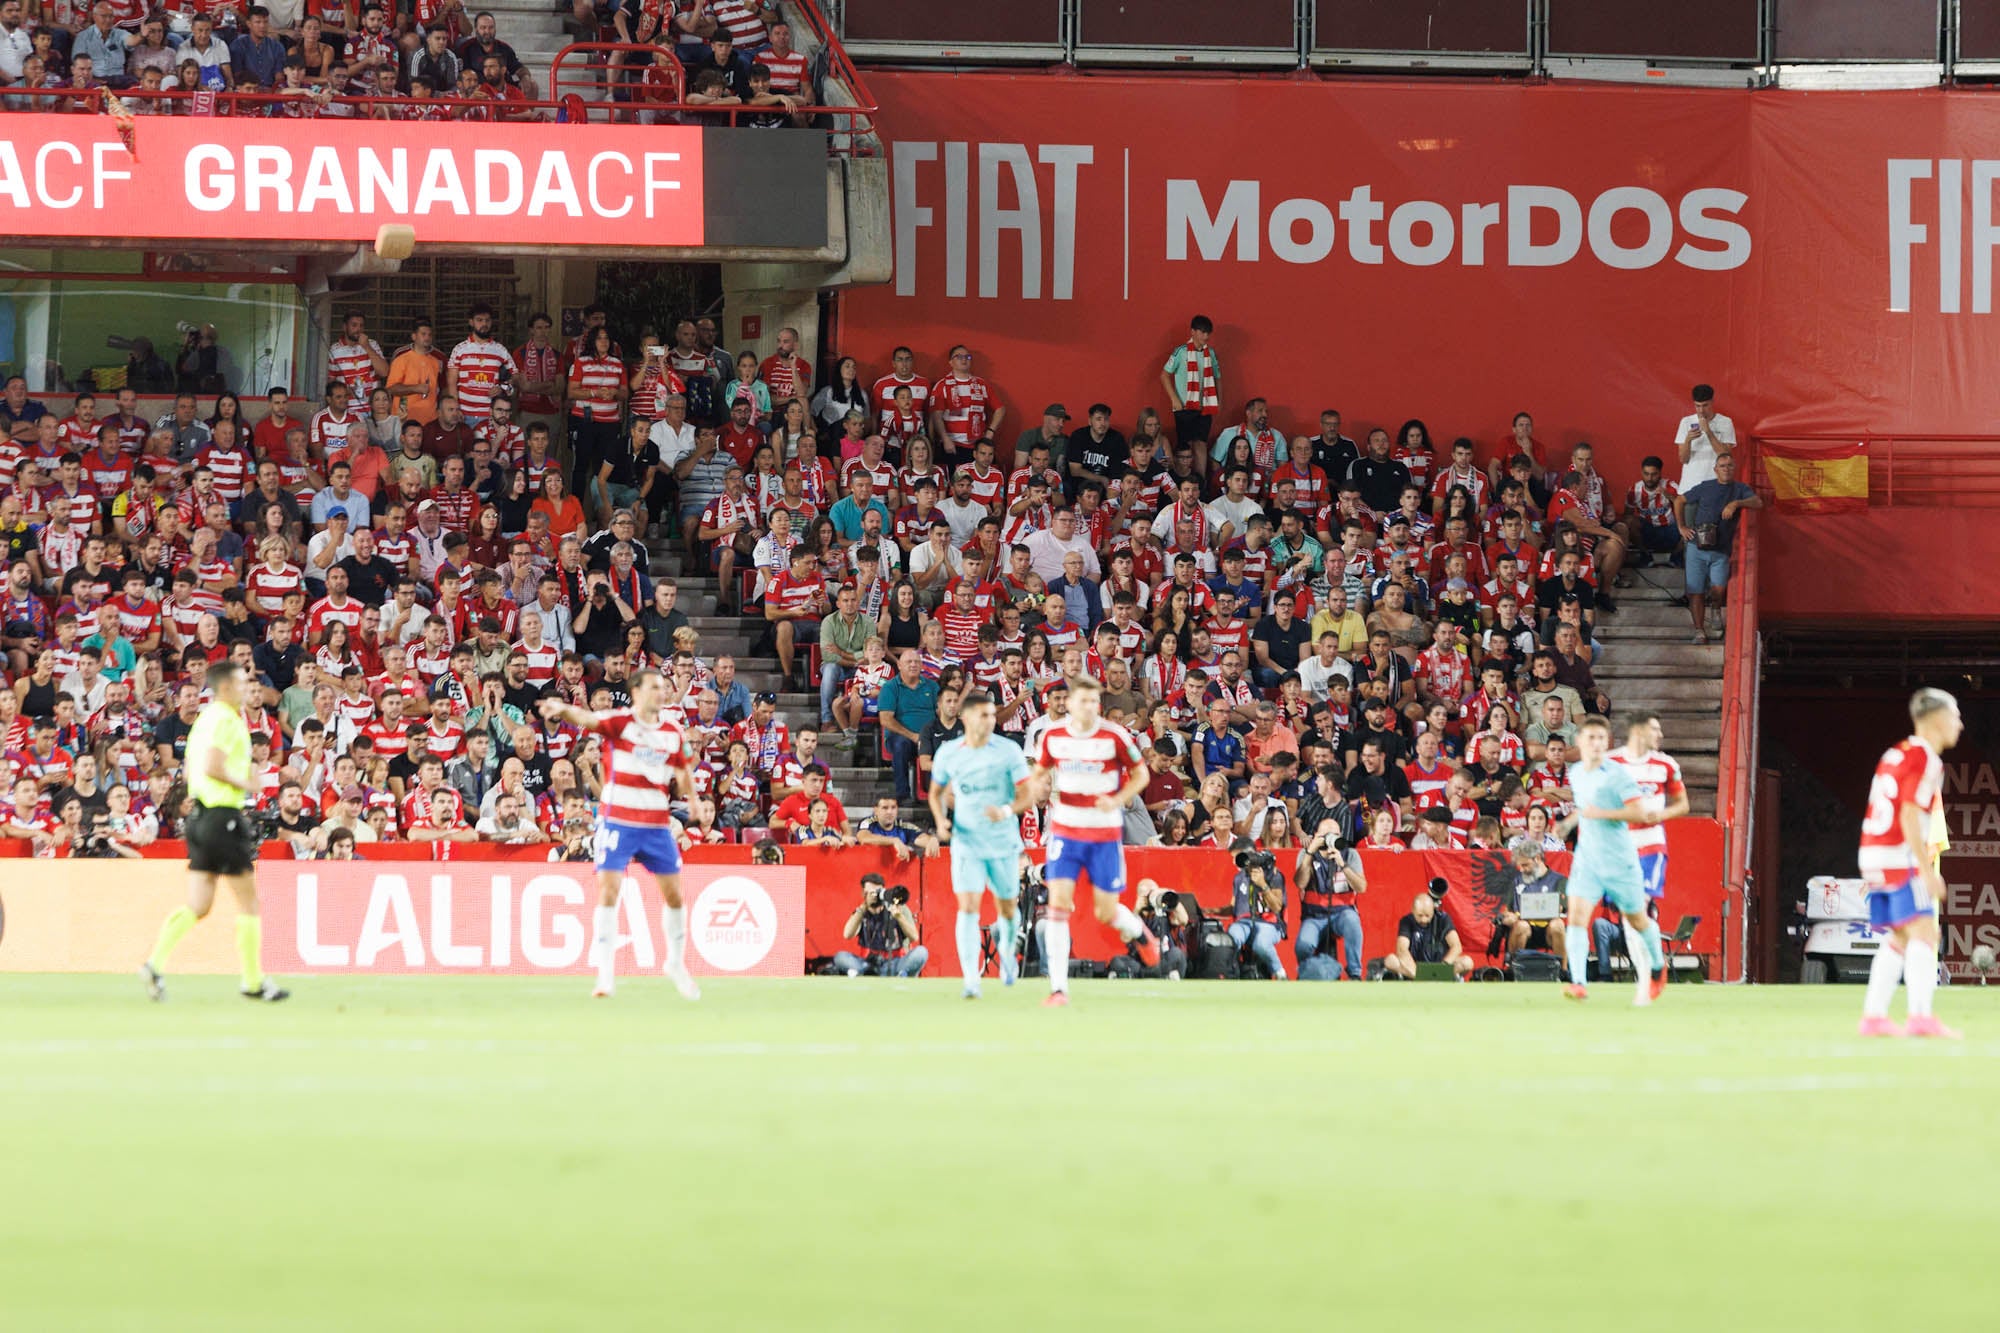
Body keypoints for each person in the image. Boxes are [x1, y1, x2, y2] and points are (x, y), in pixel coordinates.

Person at [536, 669, 702, 1001]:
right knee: (608, 891)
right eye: (654, 687)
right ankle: (605, 974)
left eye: (663, 688)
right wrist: (563, 709)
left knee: (674, 896)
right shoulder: (620, 721)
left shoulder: (672, 731)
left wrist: (693, 797)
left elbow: (682, 768)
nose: (661, 692)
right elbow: (587, 717)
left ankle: (675, 963)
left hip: (656, 824)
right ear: (636, 692)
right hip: (619, 821)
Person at [140, 661, 289, 1003]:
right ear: (225, 688)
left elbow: (193, 767)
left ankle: (154, 963)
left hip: (200, 817)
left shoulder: (205, 720)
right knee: (249, 902)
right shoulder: (226, 719)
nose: (248, 688)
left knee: (199, 904)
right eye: (241, 682)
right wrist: (248, 782)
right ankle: (252, 981)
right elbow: (212, 766)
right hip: (223, 816)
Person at [1028, 676, 1159, 1006]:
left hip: (1104, 832)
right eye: (1082, 701)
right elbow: (1038, 775)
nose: (1088, 707)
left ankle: (1139, 932)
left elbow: (1141, 774)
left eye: (1093, 702)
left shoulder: (1114, 735)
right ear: (1068, 704)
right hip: (1066, 830)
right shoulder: (1052, 737)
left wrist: (1118, 799)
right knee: (1058, 905)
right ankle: (1059, 989)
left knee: (1106, 912)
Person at [1856, 688, 1964, 1039]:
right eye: (1955, 715)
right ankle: (1920, 1017)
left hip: (1871, 851)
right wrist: (1924, 869)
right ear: (1936, 718)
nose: (1960, 724)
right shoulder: (1927, 760)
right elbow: (1908, 813)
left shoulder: (1894, 753)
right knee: (1925, 932)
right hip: (1896, 854)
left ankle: (1874, 1016)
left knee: (1900, 936)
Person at [928, 690, 1035, 998]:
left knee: (1007, 906)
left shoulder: (1008, 750)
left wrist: (1004, 811)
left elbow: (1027, 794)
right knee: (968, 906)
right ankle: (970, 978)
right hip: (967, 842)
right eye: (984, 715)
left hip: (1003, 841)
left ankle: (1007, 957)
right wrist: (940, 821)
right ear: (967, 717)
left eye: (992, 715)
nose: (991, 721)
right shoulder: (949, 752)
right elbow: (935, 792)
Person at [1555, 715, 1664, 1005]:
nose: (1596, 743)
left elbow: (1639, 813)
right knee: (1576, 919)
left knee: (1638, 920)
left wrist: (1600, 814)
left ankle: (1657, 966)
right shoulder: (1576, 772)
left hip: (1619, 861)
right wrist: (1568, 823)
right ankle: (1578, 982)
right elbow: (1585, 807)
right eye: (1590, 737)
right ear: (1578, 741)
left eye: (1601, 738)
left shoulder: (1617, 775)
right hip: (1587, 859)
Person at [1672, 453, 1762, 645]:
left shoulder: (1740, 489)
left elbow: (1758, 502)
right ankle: (1699, 631)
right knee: (1695, 591)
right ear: (1715, 469)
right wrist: (1681, 527)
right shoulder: (1706, 486)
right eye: (1722, 466)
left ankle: (1715, 608)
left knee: (1718, 589)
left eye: (1730, 465)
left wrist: (1737, 503)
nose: (1726, 469)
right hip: (1697, 545)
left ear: (1734, 468)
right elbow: (1679, 500)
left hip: (1721, 549)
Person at [1293, 817, 1367, 979]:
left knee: (1353, 922)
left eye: (1334, 834)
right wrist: (1309, 854)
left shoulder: (1350, 854)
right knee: (1303, 945)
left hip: (1342, 912)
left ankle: (1355, 973)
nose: (1329, 839)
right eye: (1325, 834)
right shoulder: (1305, 854)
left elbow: (1361, 887)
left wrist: (1343, 864)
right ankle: (1306, 973)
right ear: (1316, 835)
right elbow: (1300, 883)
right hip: (1314, 915)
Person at [832, 874, 929, 978]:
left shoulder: (898, 908)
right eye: (870, 892)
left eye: (877, 891)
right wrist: (863, 908)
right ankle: (875, 974)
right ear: (863, 893)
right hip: (868, 964)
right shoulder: (861, 912)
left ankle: (894, 974)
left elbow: (914, 937)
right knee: (840, 957)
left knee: (921, 952)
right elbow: (847, 934)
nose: (874, 895)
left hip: (895, 962)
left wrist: (899, 916)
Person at [1227, 848, 1288, 979]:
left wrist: (1262, 884)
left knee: (1261, 943)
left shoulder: (1275, 876)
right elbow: (1233, 907)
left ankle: (1280, 973)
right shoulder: (1240, 877)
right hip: (1246, 921)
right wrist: (1209, 911)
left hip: (1270, 922)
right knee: (1233, 936)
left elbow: (1277, 908)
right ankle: (1230, 974)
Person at [1384, 891, 1474, 979]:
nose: (1423, 920)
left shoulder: (1443, 919)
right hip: (1414, 967)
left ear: (1433, 911)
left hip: (1440, 965)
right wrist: (1416, 971)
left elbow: (1456, 946)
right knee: (1390, 960)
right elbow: (1401, 949)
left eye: (1427, 916)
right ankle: (1421, 978)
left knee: (1467, 962)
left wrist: (1443, 966)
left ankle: (1437, 976)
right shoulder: (1406, 921)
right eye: (1420, 915)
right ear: (1413, 911)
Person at [1673, 382, 1735, 493]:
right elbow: (1683, 459)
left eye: (1705, 405)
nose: (1701, 410)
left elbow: (1726, 456)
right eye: (1697, 406)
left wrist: (1708, 432)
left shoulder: (1725, 422)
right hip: (1689, 486)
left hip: (1716, 485)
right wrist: (1688, 440)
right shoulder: (1686, 422)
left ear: (1712, 402)